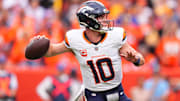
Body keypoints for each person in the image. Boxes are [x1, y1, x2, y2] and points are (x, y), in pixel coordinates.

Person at [31, 1, 145, 101]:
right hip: (94, 96)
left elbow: (141, 60)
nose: (105, 20)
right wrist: (39, 43)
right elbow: (51, 51)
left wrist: (136, 59)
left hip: (118, 93)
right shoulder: (75, 39)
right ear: (88, 21)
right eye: (101, 17)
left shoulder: (115, 35)